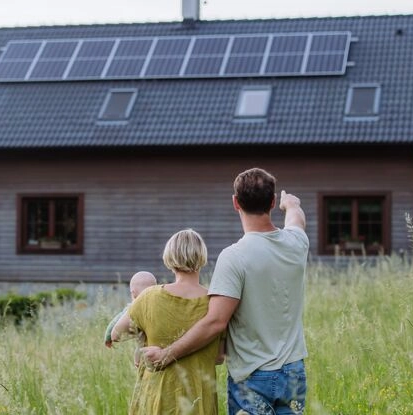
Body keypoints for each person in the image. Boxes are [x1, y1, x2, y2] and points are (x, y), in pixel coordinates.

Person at [142, 168, 310, 414]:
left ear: (235, 202)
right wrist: (292, 204)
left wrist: (166, 355)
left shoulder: (234, 257)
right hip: (294, 372)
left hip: (253, 377)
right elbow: (297, 220)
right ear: (273, 202)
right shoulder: (296, 243)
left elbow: (215, 322)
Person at [112, 229, 223, 414]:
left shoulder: (149, 296)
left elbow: (116, 334)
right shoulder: (216, 303)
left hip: (156, 397)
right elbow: (219, 357)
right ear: (201, 256)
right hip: (198, 400)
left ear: (169, 257)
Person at [104, 271, 158, 360]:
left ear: (133, 292)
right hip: (159, 347)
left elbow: (114, 323)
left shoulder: (130, 309)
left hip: (144, 348)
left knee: (140, 349)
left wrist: (107, 338)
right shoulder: (158, 305)